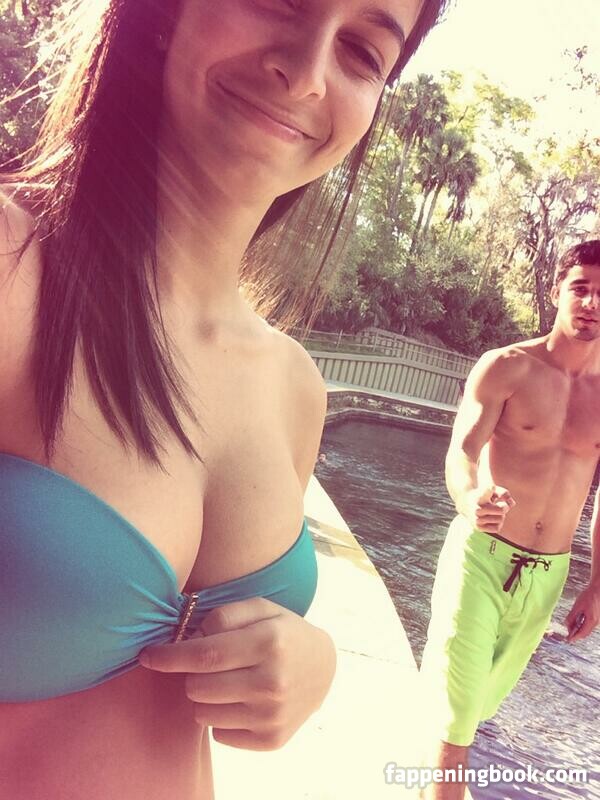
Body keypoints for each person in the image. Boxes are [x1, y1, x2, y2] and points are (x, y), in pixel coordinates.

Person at [0, 1, 448, 798]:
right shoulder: (11, 271)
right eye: (278, 1)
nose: (306, 75)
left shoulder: (293, 388)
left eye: (361, 51)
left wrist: (308, 660)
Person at [419, 239, 600, 800]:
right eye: (581, 288)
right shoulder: (507, 367)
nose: (592, 303)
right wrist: (470, 497)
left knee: (473, 714)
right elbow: (462, 450)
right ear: (558, 290)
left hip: (547, 577)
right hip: (482, 557)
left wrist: (597, 582)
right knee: (455, 731)